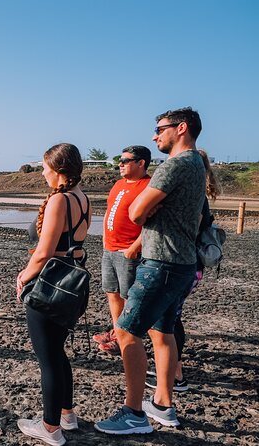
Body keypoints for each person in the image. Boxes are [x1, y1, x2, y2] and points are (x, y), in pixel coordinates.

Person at [95, 107, 206, 435]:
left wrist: (143, 211)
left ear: (181, 128)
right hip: (182, 263)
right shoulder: (198, 164)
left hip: (161, 263)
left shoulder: (175, 165)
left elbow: (136, 211)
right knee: (162, 332)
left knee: (127, 332)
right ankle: (162, 405)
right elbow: (199, 216)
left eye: (160, 129)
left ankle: (133, 413)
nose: (155, 135)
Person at [16, 143, 90, 446]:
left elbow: (44, 252)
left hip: (50, 284)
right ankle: (67, 415)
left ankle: (50, 428)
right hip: (72, 282)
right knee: (58, 353)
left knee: (47, 358)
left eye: (46, 168)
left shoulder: (60, 200)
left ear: (59, 171)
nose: (43, 173)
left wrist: (23, 277)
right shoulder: (81, 197)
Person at [145, 148, 222, 392]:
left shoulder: (195, 197)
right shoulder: (199, 194)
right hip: (191, 265)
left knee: (170, 320)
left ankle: (176, 375)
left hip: (184, 263)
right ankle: (171, 370)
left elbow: (192, 229)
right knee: (171, 318)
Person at [95, 145, 152, 355]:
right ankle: (117, 332)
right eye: (120, 160)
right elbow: (110, 211)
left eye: (125, 160)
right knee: (112, 292)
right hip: (109, 248)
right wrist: (104, 238)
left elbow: (152, 223)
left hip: (128, 251)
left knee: (129, 296)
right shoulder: (119, 183)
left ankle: (126, 336)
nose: (120, 164)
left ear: (141, 163)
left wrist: (134, 247)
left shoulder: (148, 186)